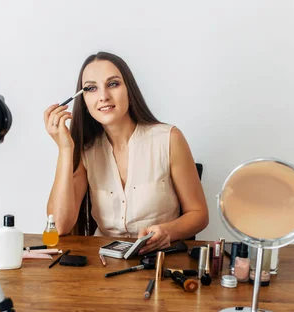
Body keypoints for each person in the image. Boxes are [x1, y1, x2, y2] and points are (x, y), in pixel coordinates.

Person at [45, 52, 208, 254]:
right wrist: (65, 149)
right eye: (91, 88)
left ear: (129, 90)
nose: (103, 96)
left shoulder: (169, 138)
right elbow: (59, 226)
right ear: (84, 100)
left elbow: (199, 214)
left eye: (113, 84)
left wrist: (167, 231)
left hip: (159, 263)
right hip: (102, 264)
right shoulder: (87, 151)